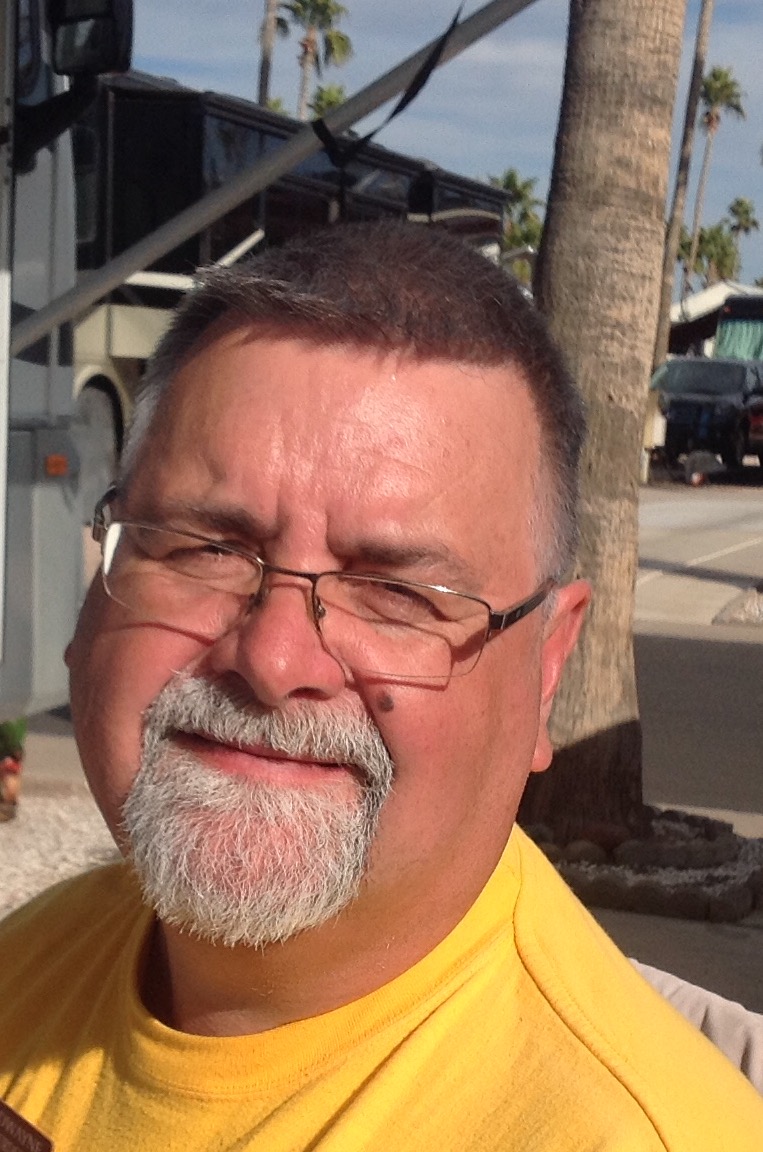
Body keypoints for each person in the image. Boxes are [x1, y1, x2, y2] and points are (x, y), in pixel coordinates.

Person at [0, 222, 761, 1150]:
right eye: (205, 547)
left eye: (398, 592)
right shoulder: (31, 965)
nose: (275, 660)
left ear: (546, 666)